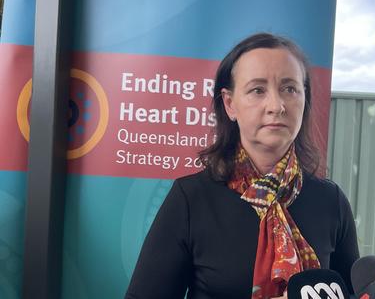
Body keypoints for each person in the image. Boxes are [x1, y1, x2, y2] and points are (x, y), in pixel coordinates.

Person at [125, 33, 360, 299]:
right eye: (258, 90)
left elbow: (352, 292)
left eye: (290, 88)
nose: (277, 105)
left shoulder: (331, 201)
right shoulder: (192, 199)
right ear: (229, 104)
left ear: (305, 99)